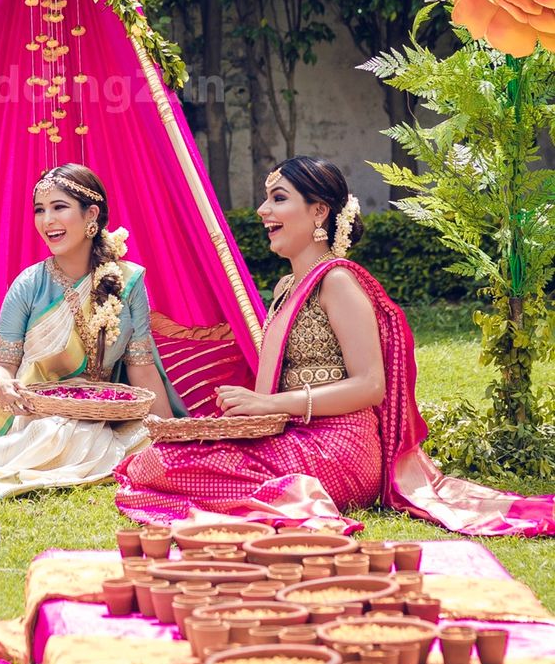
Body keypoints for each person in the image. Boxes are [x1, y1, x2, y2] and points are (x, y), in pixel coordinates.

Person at [116, 157, 554, 536]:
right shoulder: (287, 286)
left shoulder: (338, 281)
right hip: (295, 435)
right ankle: (268, 490)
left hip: (340, 446)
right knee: (157, 460)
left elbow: (370, 386)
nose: (263, 210)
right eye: (267, 199)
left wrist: (271, 405)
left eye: (279, 198)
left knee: (171, 468)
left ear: (319, 211)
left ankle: (293, 498)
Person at [0, 164, 185, 498]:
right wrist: (2, 384)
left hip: (105, 413)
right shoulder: (28, 286)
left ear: (91, 215)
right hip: (38, 416)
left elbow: (140, 366)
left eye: (59, 207)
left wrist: (170, 436)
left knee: (141, 441)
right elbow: (3, 365)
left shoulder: (126, 281)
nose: (47, 221)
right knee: (64, 435)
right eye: (40, 210)